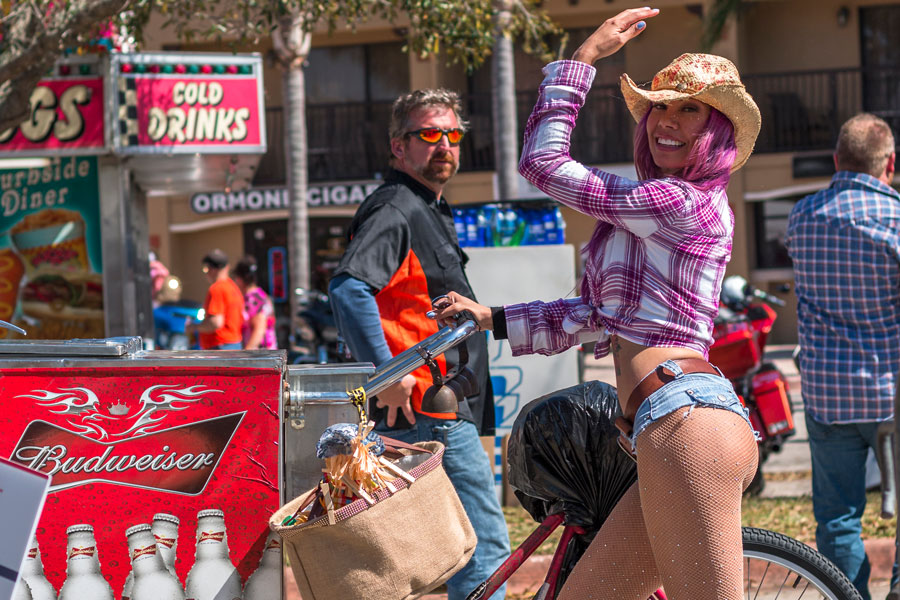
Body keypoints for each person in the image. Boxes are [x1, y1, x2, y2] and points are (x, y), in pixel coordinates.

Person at [433, 8, 762, 600]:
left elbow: (543, 165)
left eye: (690, 109)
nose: (668, 120)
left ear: (716, 129)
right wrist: (494, 319)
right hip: (661, 432)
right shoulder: (646, 217)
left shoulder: (682, 205)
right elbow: (593, 316)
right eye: (660, 105)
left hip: (687, 427)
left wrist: (582, 61)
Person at [328, 88, 510, 599]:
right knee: (481, 544)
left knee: (449, 546)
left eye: (452, 134)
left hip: (444, 406)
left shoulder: (427, 206)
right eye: (429, 134)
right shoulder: (396, 208)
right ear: (398, 146)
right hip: (429, 409)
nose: (444, 144)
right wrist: (385, 376)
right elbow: (349, 286)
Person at [786, 113, 899, 600]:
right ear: (890, 163)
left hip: (828, 394)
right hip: (892, 391)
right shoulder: (895, 219)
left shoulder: (802, 217)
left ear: (836, 160)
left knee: (837, 517)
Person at [188, 249, 244, 350]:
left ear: (212, 269)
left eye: (206, 269)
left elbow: (216, 323)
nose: (205, 273)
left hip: (220, 346)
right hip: (234, 344)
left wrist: (193, 327)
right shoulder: (232, 287)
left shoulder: (217, 288)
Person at [232, 256, 278, 350]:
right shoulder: (260, 295)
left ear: (240, 279)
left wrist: (246, 354)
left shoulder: (253, 299)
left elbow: (260, 328)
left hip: (260, 356)